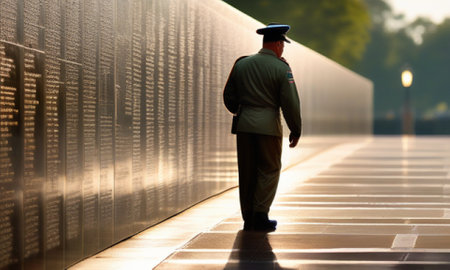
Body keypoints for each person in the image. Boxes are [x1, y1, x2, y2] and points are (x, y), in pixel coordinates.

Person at [223, 23, 302, 231]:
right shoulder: (281, 68)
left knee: (247, 171)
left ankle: (248, 216)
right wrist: (295, 129)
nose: (282, 49)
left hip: (244, 125)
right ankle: (260, 214)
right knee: (269, 169)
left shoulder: (242, 64)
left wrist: (244, 110)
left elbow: (229, 97)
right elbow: (290, 103)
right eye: (282, 45)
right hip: (268, 126)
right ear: (277, 44)